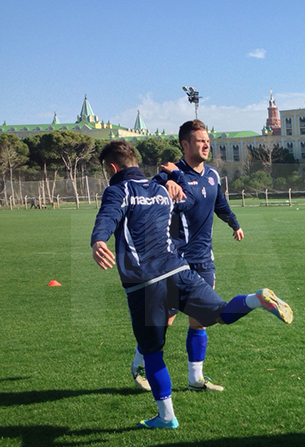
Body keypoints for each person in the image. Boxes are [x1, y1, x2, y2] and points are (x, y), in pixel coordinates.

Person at [91, 140, 293, 429]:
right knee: (220, 314)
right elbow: (184, 196)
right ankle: (255, 299)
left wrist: (98, 239)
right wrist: (175, 176)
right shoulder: (160, 188)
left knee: (152, 352)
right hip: (180, 270)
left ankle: (166, 417)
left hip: (144, 284)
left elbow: (108, 216)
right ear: (135, 161)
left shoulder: (118, 190)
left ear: (112, 168)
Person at [129, 119, 262, 393]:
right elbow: (146, 199)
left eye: (207, 141)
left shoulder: (212, 175)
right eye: (200, 140)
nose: (206, 145)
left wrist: (234, 223)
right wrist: (164, 182)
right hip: (173, 261)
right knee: (165, 320)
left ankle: (195, 379)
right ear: (185, 144)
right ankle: (140, 363)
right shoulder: (169, 175)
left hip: (203, 259)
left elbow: (220, 203)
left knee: (201, 320)